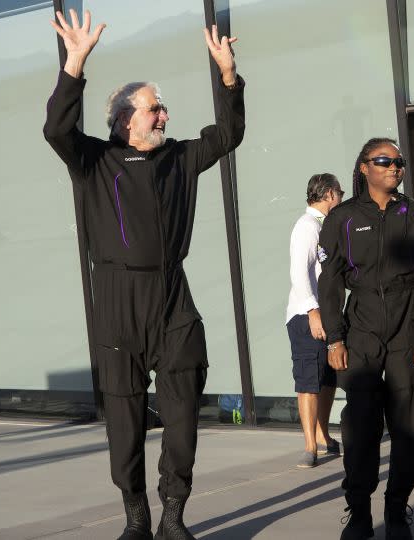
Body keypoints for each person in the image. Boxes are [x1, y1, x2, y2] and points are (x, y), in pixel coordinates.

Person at [43, 9, 244, 540]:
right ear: (127, 119)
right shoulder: (94, 160)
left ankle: (173, 513)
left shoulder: (180, 157)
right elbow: (56, 127)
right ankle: (135, 512)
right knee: (125, 422)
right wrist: (75, 64)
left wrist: (227, 76)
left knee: (181, 417)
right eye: (155, 109)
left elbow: (228, 133)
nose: (164, 116)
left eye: (163, 109)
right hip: (115, 300)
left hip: (172, 295)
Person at [318, 138, 414, 540]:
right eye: (384, 161)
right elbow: (330, 280)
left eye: (399, 162)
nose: (394, 167)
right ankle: (358, 513)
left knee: (409, 425)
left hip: (409, 328)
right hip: (361, 330)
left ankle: (395, 511)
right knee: (360, 426)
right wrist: (335, 339)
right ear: (363, 168)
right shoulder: (342, 218)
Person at [286, 173, 343, 468]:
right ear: (330, 194)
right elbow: (299, 273)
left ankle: (323, 435)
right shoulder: (307, 226)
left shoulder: (327, 226)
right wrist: (313, 311)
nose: (342, 198)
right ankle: (310, 445)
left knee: (328, 377)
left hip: (328, 313)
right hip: (306, 315)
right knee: (309, 380)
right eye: (340, 193)